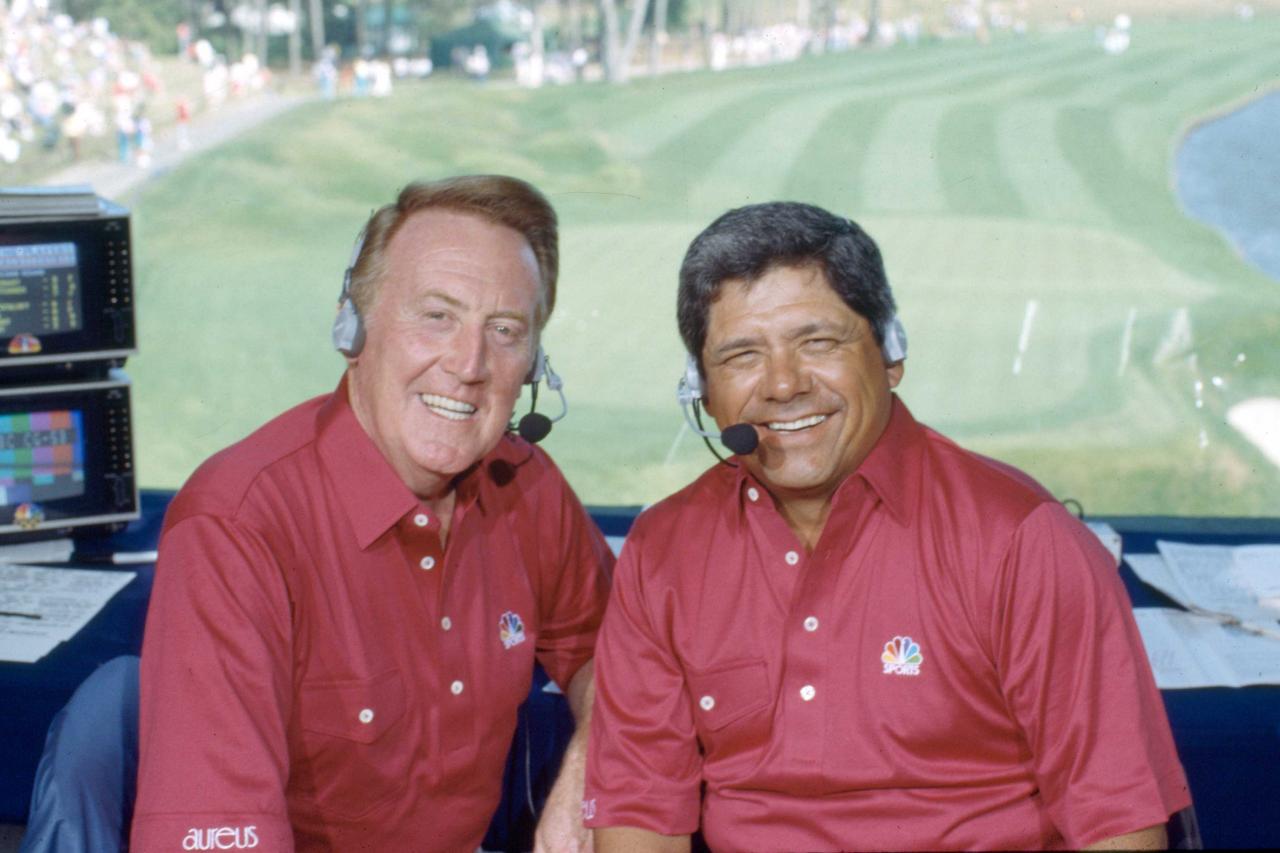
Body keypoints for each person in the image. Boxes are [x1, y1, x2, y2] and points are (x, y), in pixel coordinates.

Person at [583, 201, 1190, 851]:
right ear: (701, 391)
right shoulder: (663, 552)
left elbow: (1119, 825)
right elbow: (640, 811)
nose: (783, 384)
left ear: (891, 354)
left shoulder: (1023, 541)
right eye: (742, 355)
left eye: (818, 341)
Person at [132, 175, 613, 852]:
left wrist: (594, 758)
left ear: (531, 365)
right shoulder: (236, 527)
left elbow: (622, 644)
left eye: (504, 331)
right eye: (437, 315)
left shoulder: (524, 486)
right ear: (353, 325)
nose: (469, 364)